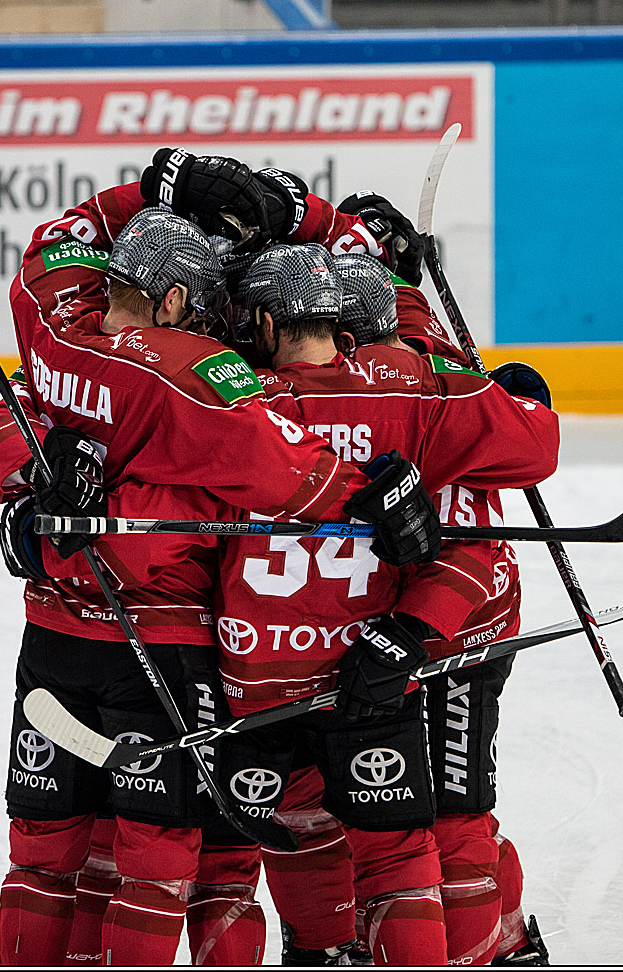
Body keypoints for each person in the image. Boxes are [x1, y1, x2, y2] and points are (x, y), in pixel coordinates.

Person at [0, 161, 441, 967]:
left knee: (48, 853)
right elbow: (288, 468)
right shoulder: (200, 376)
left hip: (53, 631)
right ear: (184, 299)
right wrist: (379, 490)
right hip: (179, 648)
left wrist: (37, 473)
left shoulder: (55, 327)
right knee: (173, 867)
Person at [207, 241, 559, 966]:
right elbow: (507, 485)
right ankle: (393, 945)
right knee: (411, 837)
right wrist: (521, 401)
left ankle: (472, 943)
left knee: (437, 820)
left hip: (425, 646)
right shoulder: (418, 392)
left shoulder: (248, 405)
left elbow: (475, 550)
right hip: (391, 648)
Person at [331, 238, 552, 966]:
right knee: (407, 811)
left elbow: (477, 534)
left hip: (466, 632)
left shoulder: (440, 379)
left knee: (455, 810)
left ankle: (492, 944)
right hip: (390, 626)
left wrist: (522, 409)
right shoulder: (400, 369)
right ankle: (504, 935)